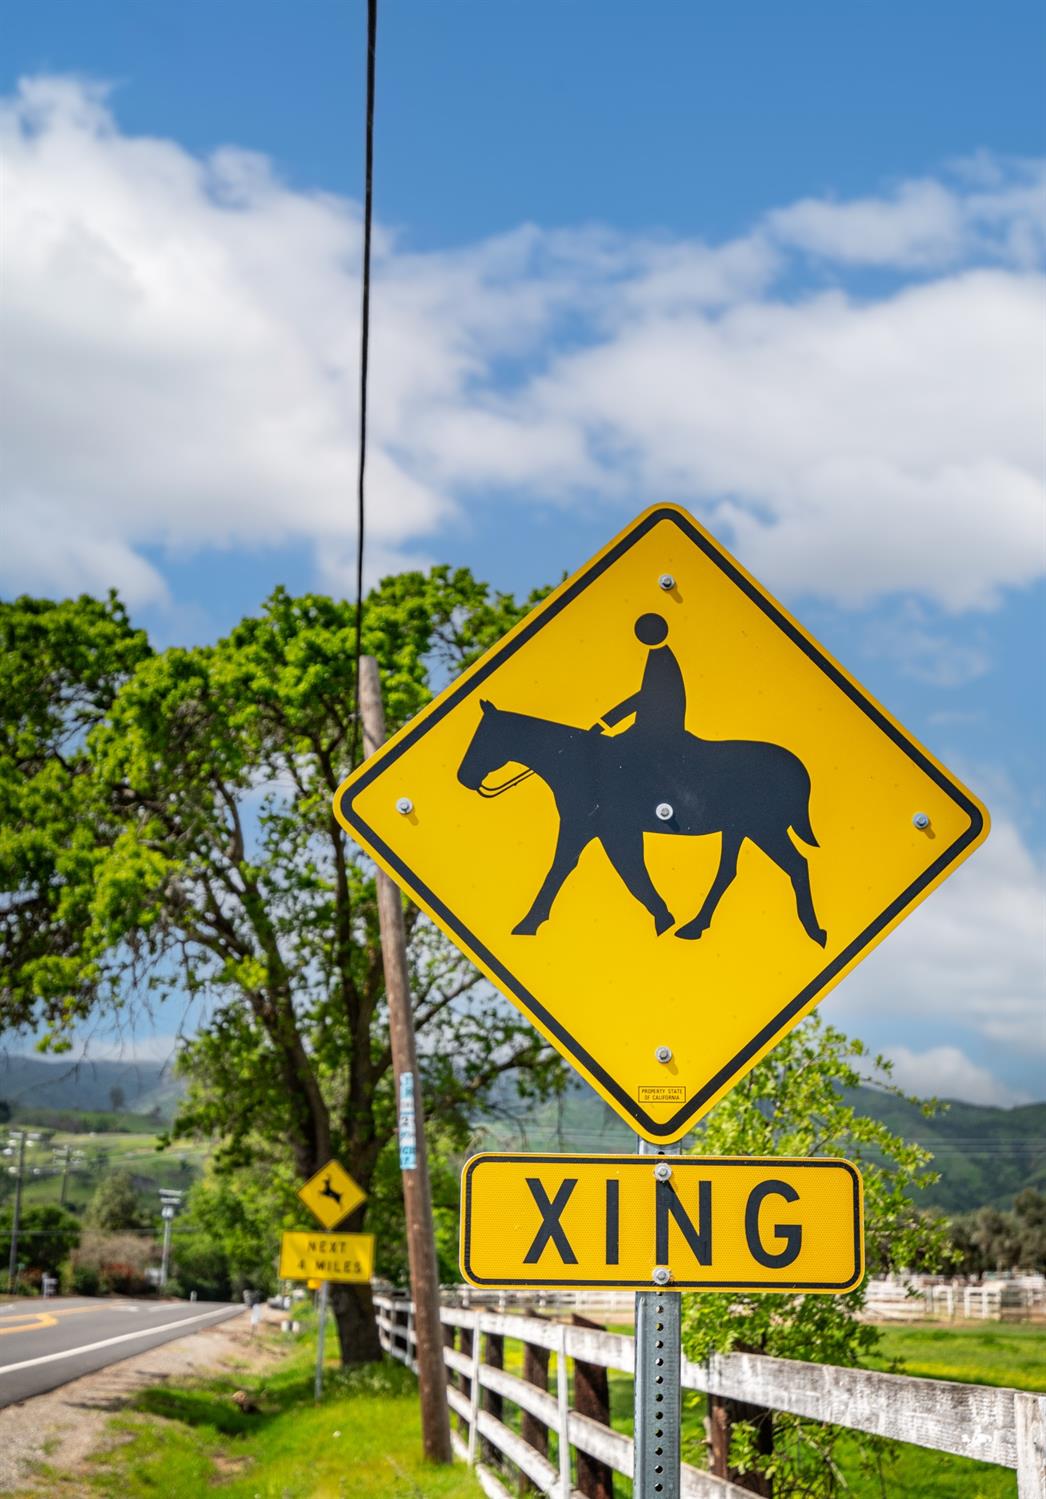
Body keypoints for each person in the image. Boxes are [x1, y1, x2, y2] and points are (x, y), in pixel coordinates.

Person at [594, 613, 687, 739]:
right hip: (654, 725)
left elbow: (643, 698)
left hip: (656, 728)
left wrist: (606, 722)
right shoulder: (658, 656)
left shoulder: (661, 660)